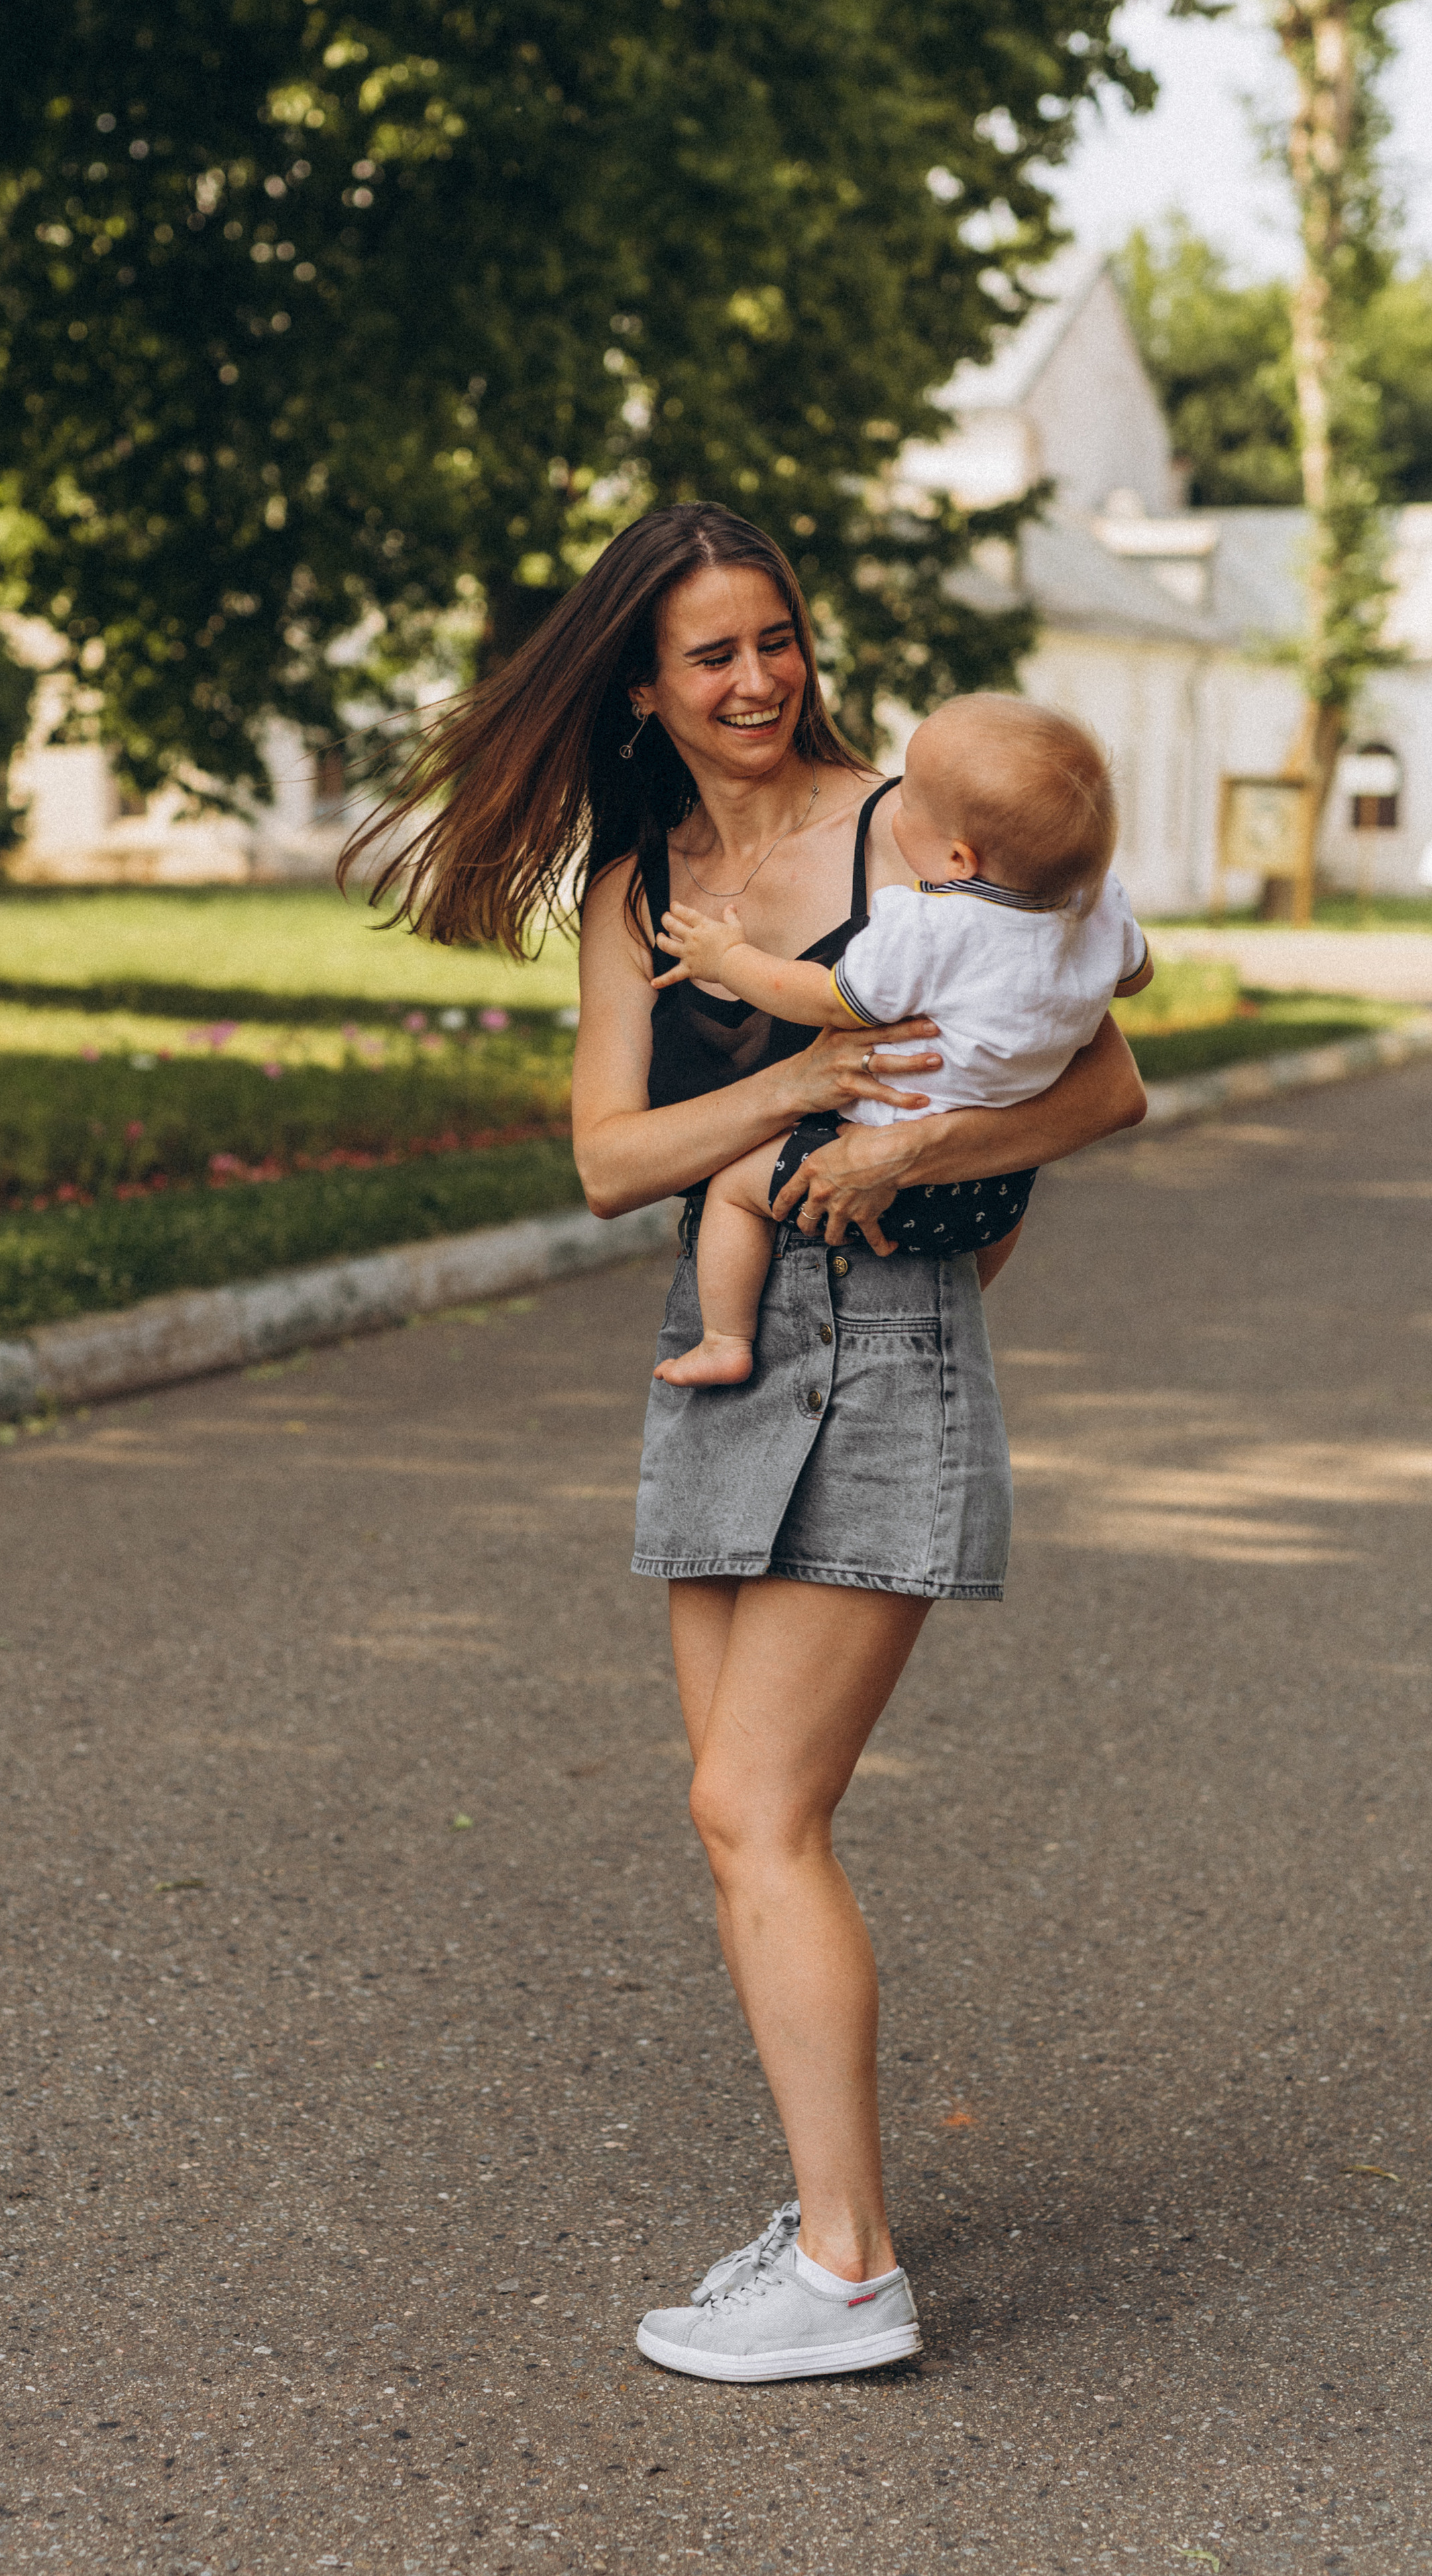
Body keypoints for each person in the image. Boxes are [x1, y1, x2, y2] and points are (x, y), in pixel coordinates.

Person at [341, 501, 1146, 2385]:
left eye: (776, 636)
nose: (759, 677)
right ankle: (829, 2219)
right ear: (644, 680)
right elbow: (612, 1159)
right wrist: (794, 1086)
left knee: (756, 1809)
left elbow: (1104, 1081)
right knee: (736, 1817)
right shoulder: (641, 891)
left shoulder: (922, 826)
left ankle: (853, 2274)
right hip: (717, 1341)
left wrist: (896, 1150)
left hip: (882, 1336)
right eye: (712, 653)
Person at [649, 693, 1154, 1388]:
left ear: (956, 856)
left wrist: (726, 960)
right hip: (993, 1188)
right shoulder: (1096, 905)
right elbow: (1135, 977)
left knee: (734, 1188)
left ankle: (724, 1339)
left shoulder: (928, 929)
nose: (895, 804)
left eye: (911, 799)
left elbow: (827, 997)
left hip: (883, 1168)